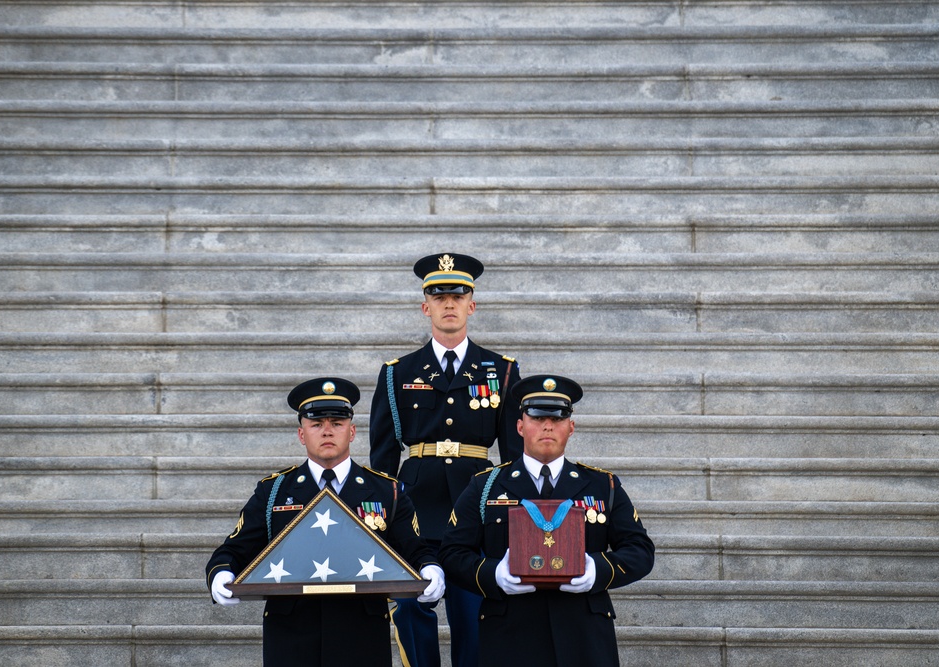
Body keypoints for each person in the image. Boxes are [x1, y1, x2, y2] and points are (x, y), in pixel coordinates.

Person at [206, 377, 446, 667]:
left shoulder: (386, 491)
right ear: (301, 434)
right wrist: (220, 574)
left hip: (361, 632)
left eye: (337, 423)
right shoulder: (274, 492)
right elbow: (232, 550)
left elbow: (415, 548)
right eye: (316, 424)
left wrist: (431, 568)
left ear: (353, 431)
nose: (327, 431)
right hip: (292, 632)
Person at [368, 252, 523, 667]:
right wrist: (380, 515)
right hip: (415, 507)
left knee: (473, 616)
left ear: (472, 304)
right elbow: (382, 458)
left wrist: (513, 516)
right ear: (425, 307)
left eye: (458, 295)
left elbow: (514, 456)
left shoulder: (501, 370)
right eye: (438, 296)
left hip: (476, 506)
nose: (448, 304)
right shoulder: (397, 372)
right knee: (411, 608)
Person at [439, 375, 655, 667]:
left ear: (571, 427)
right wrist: (494, 574)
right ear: (519, 426)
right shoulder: (486, 486)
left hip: (582, 635)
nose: (547, 426)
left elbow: (640, 550)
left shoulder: (603, 486)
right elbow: (452, 553)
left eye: (558, 417)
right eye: (537, 417)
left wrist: (597, 569)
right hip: (510, 634)